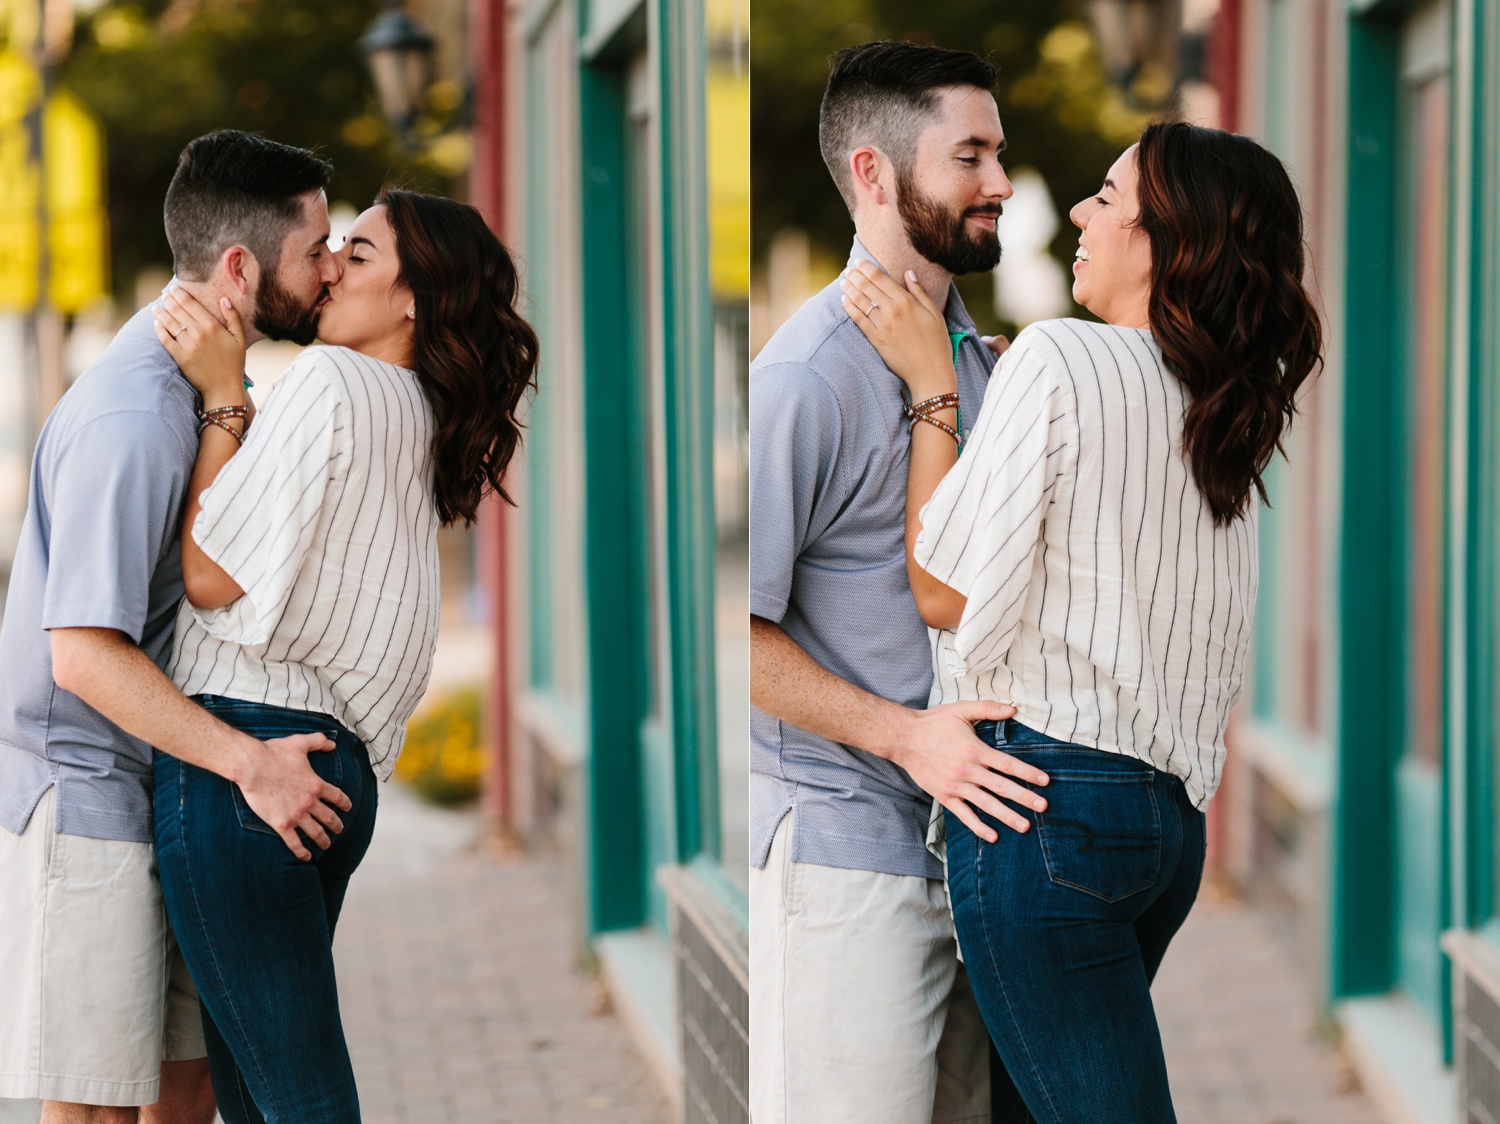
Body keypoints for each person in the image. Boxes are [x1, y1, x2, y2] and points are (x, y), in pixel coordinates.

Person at [839, 121, 1323, 1122]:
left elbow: (941, 586)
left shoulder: (1061, 357)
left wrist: (939, 386)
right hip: (1168, 824)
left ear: (1164, 239)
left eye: (1108, 197)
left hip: (1042, 810)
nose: (1077, 213)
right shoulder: (1221, 405)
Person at [148, 184, 537, 1123]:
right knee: (267, 1097)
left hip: (250, 767)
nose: (328, 271)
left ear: (414, 299)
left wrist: (219, 397)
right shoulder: (418, 411)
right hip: (333, 770)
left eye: (357, 256)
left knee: (299, 1102)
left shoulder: (328, 384)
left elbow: (208, 574)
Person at [0, 130, 351, 1124]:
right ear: (241, 267)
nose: (331, 267)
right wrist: (251, 761)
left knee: (184, 1093)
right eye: (317, 247)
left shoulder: (196, 396)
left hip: (162, 789)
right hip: (90, 800)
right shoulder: (133, 418)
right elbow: (81, 654)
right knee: (104, 1109)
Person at [748, 40, 1048, 1124]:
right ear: (875, 173)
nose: (1001, 182)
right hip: (847, 855)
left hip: (975, 851)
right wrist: (906, 734)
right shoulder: (803, 377)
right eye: (970, 155)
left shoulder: (983, 364)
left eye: (998, 153)